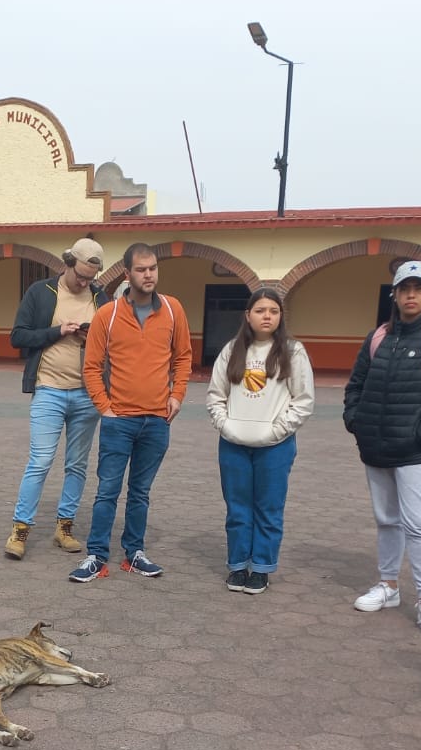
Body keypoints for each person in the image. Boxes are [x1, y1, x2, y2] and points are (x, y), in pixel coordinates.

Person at [343, 260, 421, 634]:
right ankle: (388, 585)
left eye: (418, 288)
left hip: (418, 452)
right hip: (376, 447)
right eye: (404, 288)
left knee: (418, 525)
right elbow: (356, 386)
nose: (410, 295)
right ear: (394, 294)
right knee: (387, 520)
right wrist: (356, 422)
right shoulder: (377, 337)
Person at [70, 243, 192, 584]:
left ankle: (134, 553)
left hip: (157, 420)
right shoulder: (106, 316)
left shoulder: (172, 309)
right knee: (107, 490)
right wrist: (105, 408)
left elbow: (183, 357)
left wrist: (177, 396)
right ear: (127, 274)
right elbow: (91, 367)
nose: (149, 274)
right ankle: (96, 556)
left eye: (153, 268)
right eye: (141, 269)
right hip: (118, 421)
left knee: (140, 492)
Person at [4, 238, 109, 560]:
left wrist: (91, 333)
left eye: (90, 278)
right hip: (49, 389)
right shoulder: (40, 291)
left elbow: (113, 341)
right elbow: (18, 336)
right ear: (68, 263)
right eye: (81, 275)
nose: (84, 282)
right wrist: (58, 331)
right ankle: (20, 529)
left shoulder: (100, 298)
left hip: (86, 394)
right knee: (40, 462)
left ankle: (64, 527)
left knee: (77, 465)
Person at [206, 287, 315, 595]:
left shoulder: (293, 352)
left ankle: (262, 568)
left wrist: (277, 430)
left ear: (281, 316)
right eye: (260, 310)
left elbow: (303, 401)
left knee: (268, 509)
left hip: (275, 447)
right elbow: (216, 396)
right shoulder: (232, 350)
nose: (267, 316)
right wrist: (226, 427)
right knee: (238, 509)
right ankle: (238, 565)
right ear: (248, 316)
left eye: (273, 311)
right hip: (234, 444)